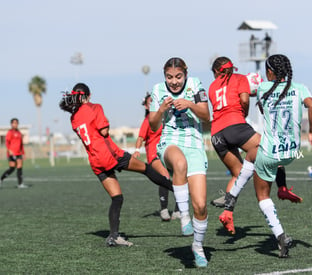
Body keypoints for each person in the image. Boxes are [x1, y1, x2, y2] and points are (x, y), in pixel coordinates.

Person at [59, 83, 173, 247]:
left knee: (117, 198)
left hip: (95, 161)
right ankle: (178, 190)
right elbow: (104, 131)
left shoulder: (73, 117)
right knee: (147, 169)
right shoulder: (94, 107)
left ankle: (113, 236)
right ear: (88, 95)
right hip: (110, 154)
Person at [208, 57, 303, 234]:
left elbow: (225, 98)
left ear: (216, 72)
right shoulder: (239, 78)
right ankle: (282, 188)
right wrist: (243, 111)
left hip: (216, 135)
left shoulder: (212, 86)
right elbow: (243, 100)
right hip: (236, 127)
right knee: (272, 149)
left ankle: (228, 211)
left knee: (238, 173)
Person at [254, 54, 312, 257]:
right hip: (292, 151)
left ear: (270, 72)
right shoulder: (300, 88)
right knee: (273, 163)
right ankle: (281, 187)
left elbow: (260, 108)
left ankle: (279, 235)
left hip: (269, 151)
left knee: (262, 194)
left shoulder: (263, 88)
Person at [148, 57, 210, 267]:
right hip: (170, 142)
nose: (174, 82)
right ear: (164, 76)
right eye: (169, 77)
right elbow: (154, 125)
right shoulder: (157, 90)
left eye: (178, 77)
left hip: (194, 145)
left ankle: (198, 246)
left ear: (186, 73)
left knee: (201, 206)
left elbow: (206, 116)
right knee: (179, 163)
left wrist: (190, 104)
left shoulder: (195, 85)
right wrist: (160, 111)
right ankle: (183, 217)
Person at [133, 92, 180, 221]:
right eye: (150, 103)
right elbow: (141, 137)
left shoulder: (165, 117)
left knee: (180, 175)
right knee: (165, 176)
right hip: (154, 153)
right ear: (147, 107)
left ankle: (178, 210)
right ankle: (164, 209)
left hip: (167, 151)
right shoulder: (148, 120)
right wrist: (137, 150)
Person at [1, 118, 28, 189]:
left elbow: (21, 144)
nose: (15, 124)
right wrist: (9, 150)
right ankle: (1, 179)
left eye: (16, 123)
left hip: (19, 153)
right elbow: (7, 142)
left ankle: (20, 184)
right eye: (14, 123)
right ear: (11, 124)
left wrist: (23, 153)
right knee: (12, 168)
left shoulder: (19, 133)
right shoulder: (10, 132)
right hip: (12, 153)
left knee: (19, 167)